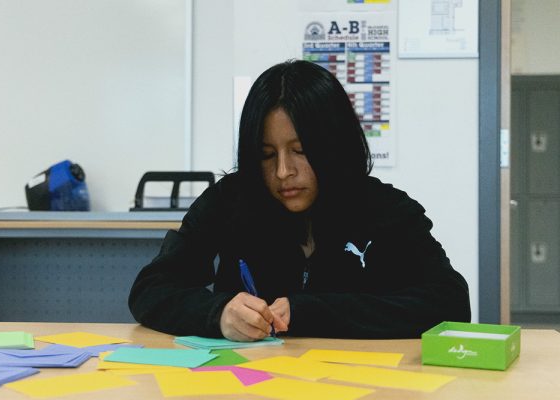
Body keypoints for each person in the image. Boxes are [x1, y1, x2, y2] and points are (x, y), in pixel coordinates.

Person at [129, 59, 471, 341]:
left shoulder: (384, 209)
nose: (282, 172)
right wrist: (217, 314)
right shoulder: (229, 200)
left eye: (300, 151)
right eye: (266, 155)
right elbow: (151, 290)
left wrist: (314, 311)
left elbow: (450, 304)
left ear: (333, 146)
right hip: (250, 385)